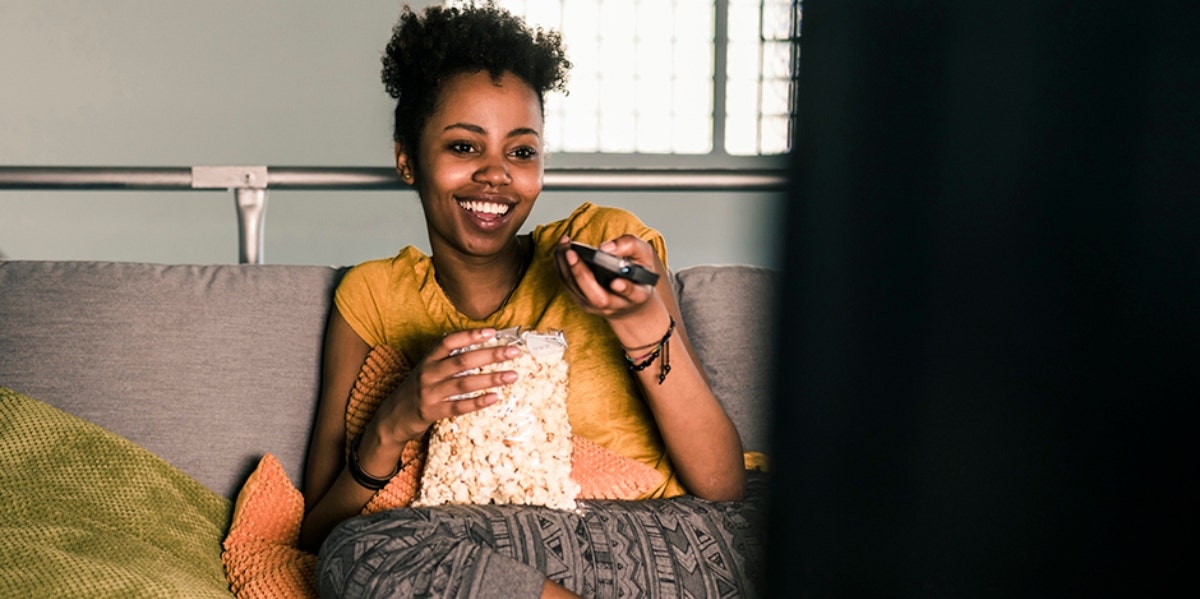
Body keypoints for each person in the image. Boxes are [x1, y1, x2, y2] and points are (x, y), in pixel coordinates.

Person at [300, 3, 747, 597]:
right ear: (407, 157)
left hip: (665, 543)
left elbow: (721, 483)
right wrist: (396, 421)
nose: (496, 175)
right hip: (491, 552)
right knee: (356, 554)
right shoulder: (374, 296)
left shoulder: (602, 242)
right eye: (464, 147)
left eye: (521, 152)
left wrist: (642, 322)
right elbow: (315, 536)